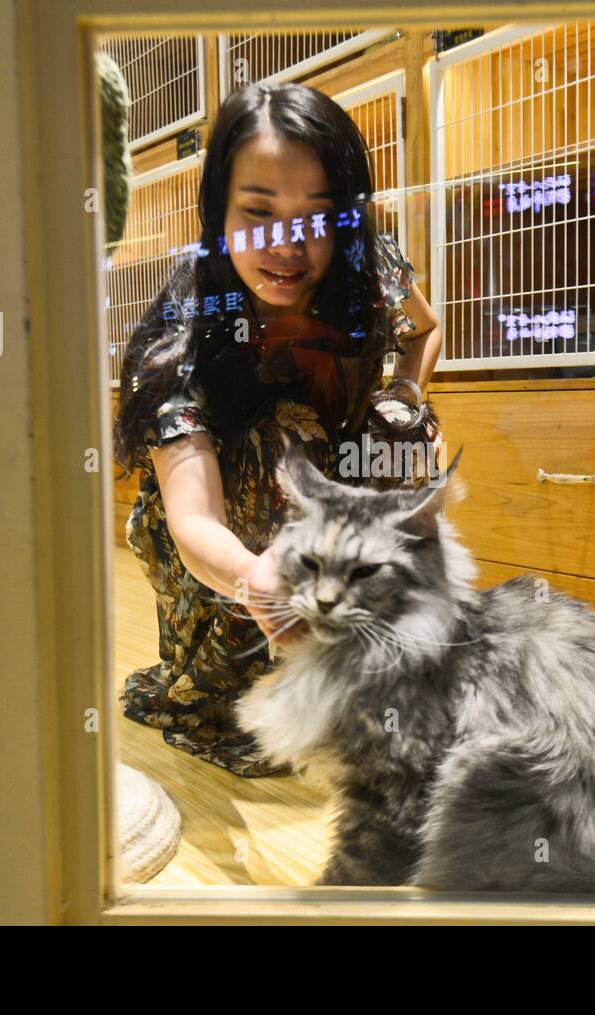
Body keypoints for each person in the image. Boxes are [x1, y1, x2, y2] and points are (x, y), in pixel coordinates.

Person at [113, 81, 443, 777]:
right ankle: (248, 675)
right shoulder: (185, 317)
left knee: (398, 425)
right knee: (279, 432)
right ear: (218, 214)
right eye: (258, 213)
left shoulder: (366, 261)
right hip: (222, 540)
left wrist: (407, 400)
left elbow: (425, 328)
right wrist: (256, 576)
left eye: (315, 219)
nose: (287, 245)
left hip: (331, 489)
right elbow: (190, 516)